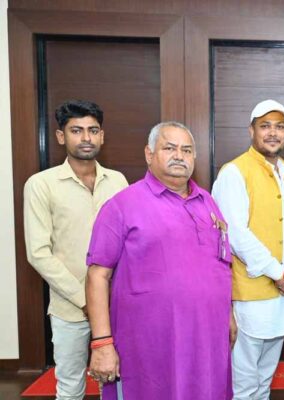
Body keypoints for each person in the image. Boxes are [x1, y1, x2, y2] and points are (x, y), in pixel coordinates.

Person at [85, 121, 235, 400]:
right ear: (149, 154)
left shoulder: (208, 202)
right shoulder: (121, 206)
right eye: (169, 148)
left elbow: (220, 265)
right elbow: (97, 275)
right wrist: (102, 342)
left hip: (207, 340)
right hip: (148, 343)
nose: (179, 156)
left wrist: (228, 314)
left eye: (186, 150)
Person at [23, 100, 128, 400]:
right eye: (76, 130)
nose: (86, 138)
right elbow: (38, 253)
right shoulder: (41, 185)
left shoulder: (118, 182)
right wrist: (85, 300)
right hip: (70, 308)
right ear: (61, 136)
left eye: (92, 130)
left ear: (102, 136)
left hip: (116, 306)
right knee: (70, 386)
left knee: (118, 382)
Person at [212, 99, 284, 400]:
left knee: (264, 381)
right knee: (244, 385)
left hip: (280, 295)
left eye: (280, 127)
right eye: (265, 126)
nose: (273, 133)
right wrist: (279, 274)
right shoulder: (234, 172)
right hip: (250, 294)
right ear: (251, 131)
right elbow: (235, 235)